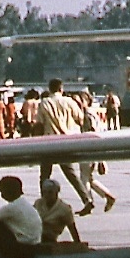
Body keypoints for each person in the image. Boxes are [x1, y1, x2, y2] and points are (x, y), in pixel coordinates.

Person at [37, 79, 93, 214]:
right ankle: (86, 199)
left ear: (49, 89)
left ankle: (45, 203)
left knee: (45, 175)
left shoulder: (44, 103)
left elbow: (39, 123)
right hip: (65, 141)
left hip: (49, 141)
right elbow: (80, 118)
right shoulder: (69, 101)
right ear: (61, 89)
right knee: (71, 174)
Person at [74, 91, 117, 212]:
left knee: (84, 178)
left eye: (79, 101)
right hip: (89, 148)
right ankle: (108, 196)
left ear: (86, 101)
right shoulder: (86, 113)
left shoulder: (87, 114)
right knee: (89, 178)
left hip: (88, 148)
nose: (77, 103)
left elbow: (92, 131)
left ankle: (89, 203)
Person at [34, 177, 82, 246]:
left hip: (49, 239)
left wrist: (78, 245)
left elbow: (72, 228)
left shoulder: (64, 209)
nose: (46, 195)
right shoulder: (38, 203)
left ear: (57, 192)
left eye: (50, 192)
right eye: (44, 192)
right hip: (34, 236)